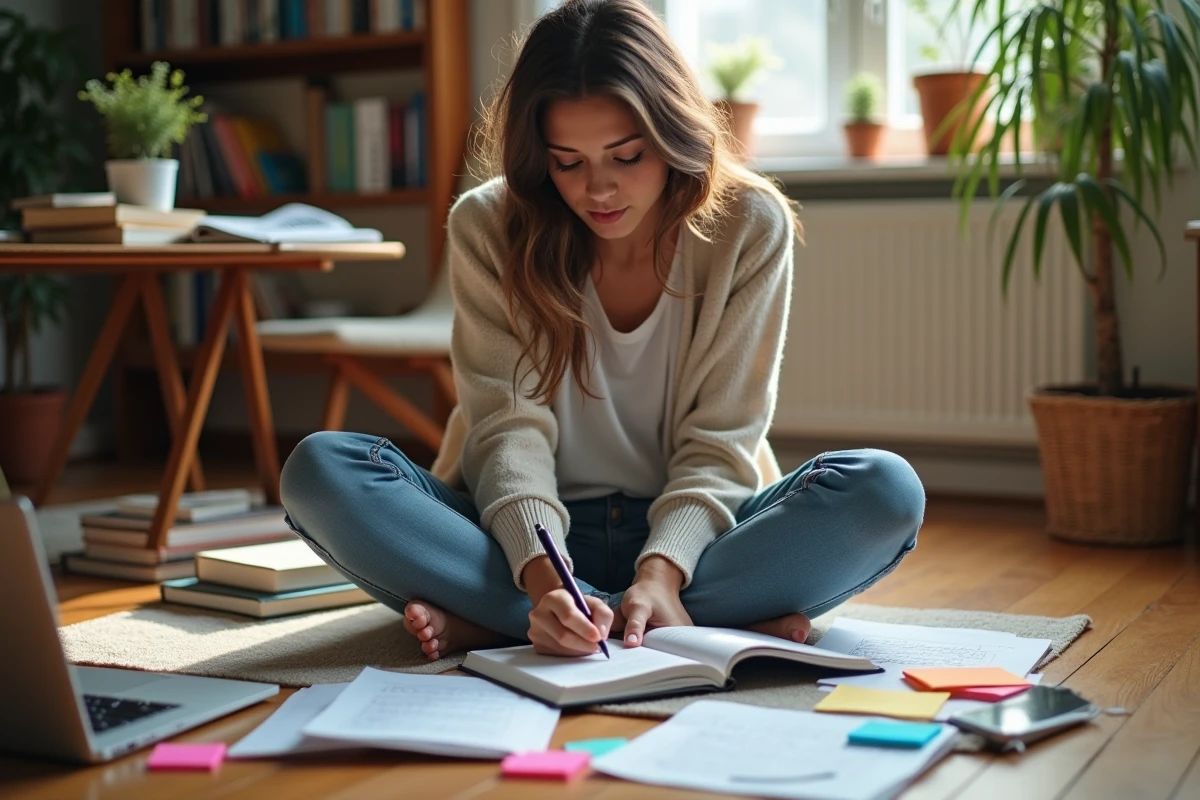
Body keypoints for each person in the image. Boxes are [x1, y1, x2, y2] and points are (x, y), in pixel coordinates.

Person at [280, 0, 925, 662]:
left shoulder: (750, 224)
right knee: (320, 472)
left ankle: (510, 623)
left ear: (673, 134)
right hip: (519, 538)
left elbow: (723, 437)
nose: (599, 190)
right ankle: (662, 622)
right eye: (568, 162)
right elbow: (506, 429)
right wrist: (543, 580)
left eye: (627, 156)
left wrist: (663, 569)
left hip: (700, 538)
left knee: (885, 491)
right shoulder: (488, 224)